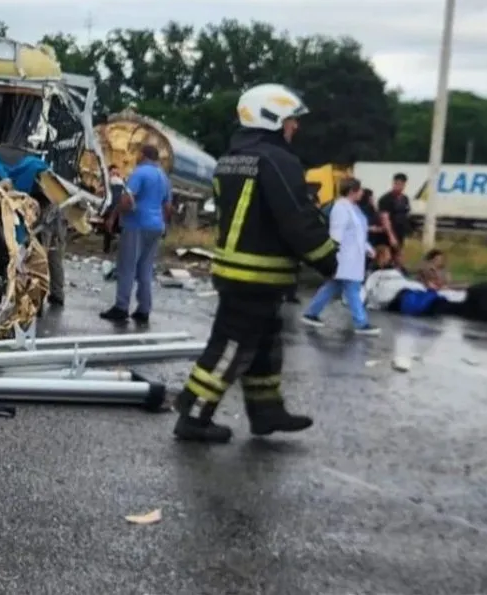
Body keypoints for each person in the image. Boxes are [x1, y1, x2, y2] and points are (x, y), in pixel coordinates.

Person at [171, 83, 337, 444]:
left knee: (264, 343)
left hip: (240, 270)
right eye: (292, 120)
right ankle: (194, 415)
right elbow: (297, 217)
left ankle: (266, 412)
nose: (295, 128)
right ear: (273, 118)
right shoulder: (278, 160)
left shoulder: (231, 158)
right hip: (258, 273)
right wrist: (328, 258)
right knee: (231, 346)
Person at [100, 144, 172, 325]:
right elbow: (168, 206)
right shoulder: (164, 177)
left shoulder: (140, 173)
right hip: (156, 226)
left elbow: (126, 199)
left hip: (136, 224)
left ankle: (121, 307)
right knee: (145, 269)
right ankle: (143, 309)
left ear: (143, 155)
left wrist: (115, 215)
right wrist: (164, 225)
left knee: (127, 266)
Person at [299, 177, 381, 335]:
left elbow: (358, 233)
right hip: (344, 257)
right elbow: (337, 234)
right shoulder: (341, 208)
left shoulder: (353, 208)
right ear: (352, 191)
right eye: (360, 190)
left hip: (352, 257)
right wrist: (334, 255)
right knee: (352, 288)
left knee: (333, 286)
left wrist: (367, 247)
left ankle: (311, 313)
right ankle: (361, 322)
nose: (362, 193)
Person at [377, 172, 411, 269]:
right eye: (396, 184)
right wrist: (391, 236)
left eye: (401, 184)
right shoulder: (385, 199)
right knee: (387, 256)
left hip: (400, 232)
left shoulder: (405, 199)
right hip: (389, 233)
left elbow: (406, 214)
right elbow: (385, 218)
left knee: (398, 256)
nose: (399, 187)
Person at [101, 165, 126, 254]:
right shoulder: (108, 181)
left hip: (118, 206)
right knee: (109, 228)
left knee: (117, 227)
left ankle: (112, 246)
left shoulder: (120, 181)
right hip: (111, 206)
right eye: (113, 172)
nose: (115, 174)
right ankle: (107, 248)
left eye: (117, 172)